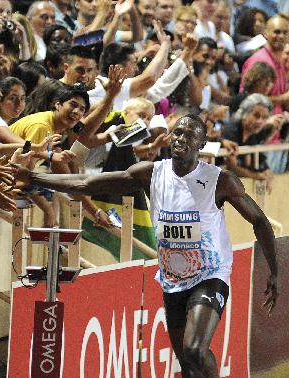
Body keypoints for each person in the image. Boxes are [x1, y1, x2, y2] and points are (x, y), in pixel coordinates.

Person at [14, 114, 279, 376]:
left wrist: (273, 270)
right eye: (177, 133)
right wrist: (34, 178)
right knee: (187, 364)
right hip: (172, 278)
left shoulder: (219, 180)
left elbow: (259, 220)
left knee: (195, 349)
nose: (181, 139)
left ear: (201, 145)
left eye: (190, 135)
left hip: (210, 274)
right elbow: (86, 183)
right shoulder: (150, 173)